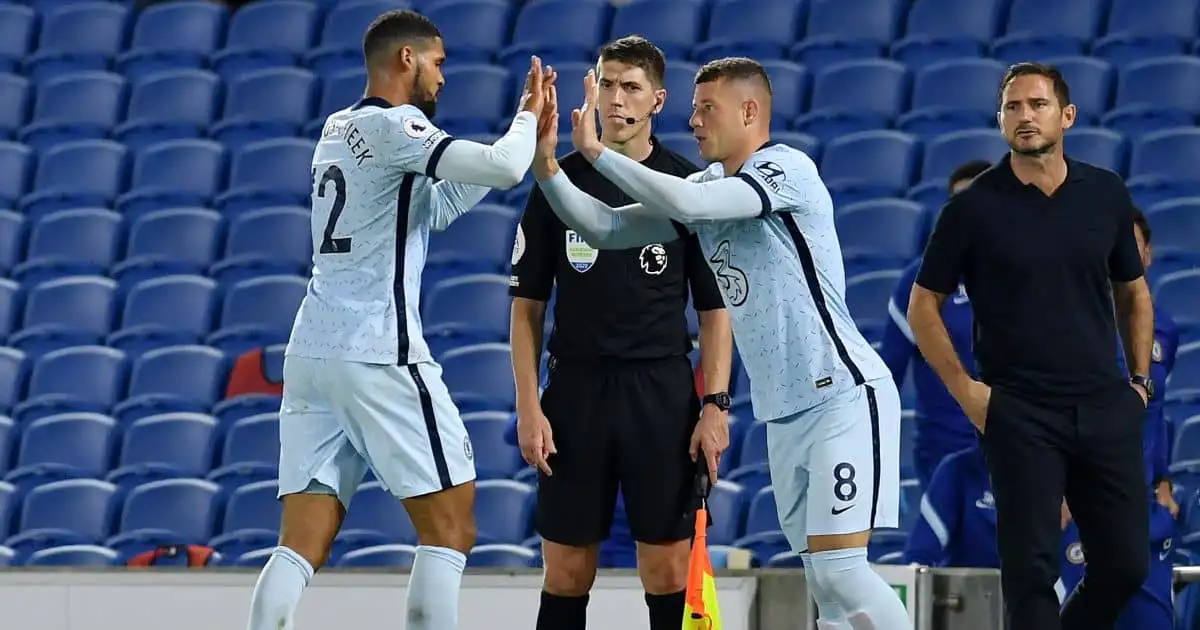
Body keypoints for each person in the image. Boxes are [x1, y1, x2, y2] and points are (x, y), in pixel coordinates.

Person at [528, 58, 910, 629]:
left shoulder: (786, 169)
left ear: (750, 112)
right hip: (785, 414)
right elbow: (604, 229)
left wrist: (598, 152)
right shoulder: (706, 185)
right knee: (825, 588)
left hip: (843, 397)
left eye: (708, 108)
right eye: (694, 106)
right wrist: (548, 167)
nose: (695, 119)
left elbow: (686, 207)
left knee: (843, 573)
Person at [244, 11, 552, 630]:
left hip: (312, 353)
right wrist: (529, 118)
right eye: (438, 62)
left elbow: (429, 210)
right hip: (377, 348)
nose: (443, 78)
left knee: (300, 542)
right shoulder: (395, 124)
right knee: (453, 525)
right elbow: (505, 166)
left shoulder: (336, 127)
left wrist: (501, 159)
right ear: (406, 59)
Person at [907, 62, 1155, 630]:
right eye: (1013, 107)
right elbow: (925, 307)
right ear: (999, 121)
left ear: (1066, 116)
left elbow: (1134, 294)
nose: (1025, 116)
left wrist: (1138, 383)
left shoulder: (1105, 193)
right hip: (1018, 412)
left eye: (1038, 105)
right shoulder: (971, 208)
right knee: (1030, 574)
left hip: (1104, 406)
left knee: (1125, 566)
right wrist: (966, 392)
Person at [508, 36, 733, 630]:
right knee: (565, 571)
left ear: (658, 99)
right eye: (606, 84)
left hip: (659, 394)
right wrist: (529, 406)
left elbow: (715, 312)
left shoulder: (687, 187)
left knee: (666, 569)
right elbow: (527, 307)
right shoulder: (556, 179)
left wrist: (714, 405)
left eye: (631, 87)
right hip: (576, 391)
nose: (616, 99)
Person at [880, 160, 990, 491]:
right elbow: (888, 378)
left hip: (1022, 448)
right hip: (943, 454)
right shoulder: (918, 283)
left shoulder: (1034, 275)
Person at [902, 443, 1000, 569]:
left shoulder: (1032, 476)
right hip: (964, 586)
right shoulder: (957, 469)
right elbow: (920, 553)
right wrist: (917, 570)